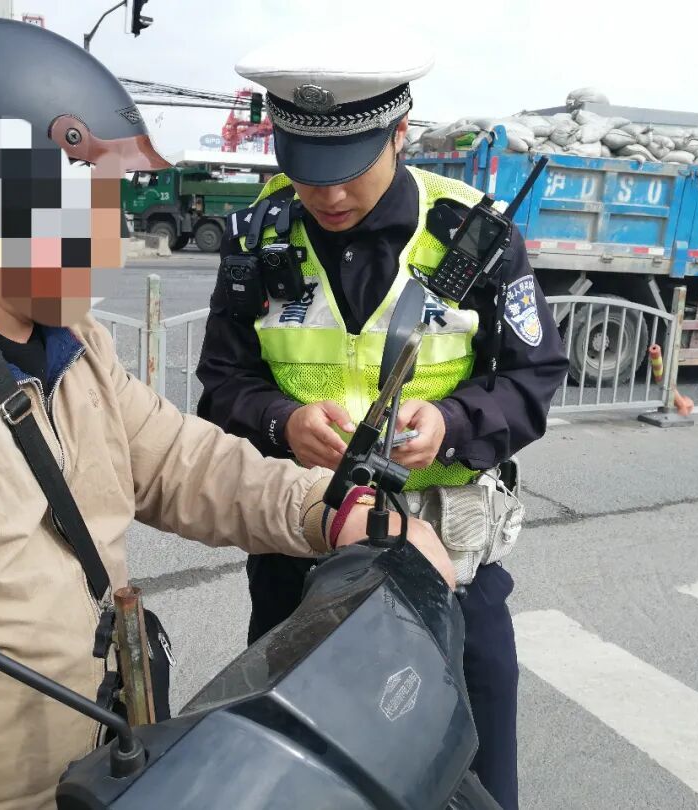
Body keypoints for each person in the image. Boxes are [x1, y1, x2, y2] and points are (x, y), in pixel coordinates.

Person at [0, 19, 457, 810]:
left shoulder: (68, 341)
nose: (111, 230)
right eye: (88, 198)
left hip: (95, 768)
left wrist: (335, 511)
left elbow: (182, 462)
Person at [195, 30, 570, 810]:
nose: (327, 196)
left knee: (471, 771)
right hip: (301, 556)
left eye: (347, 172)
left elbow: (533, 376)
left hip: (444, 561)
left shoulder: (473, 236)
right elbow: (223, 384)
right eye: (306, 172)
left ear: (399, 132)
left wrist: (452, 423)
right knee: (292, 774)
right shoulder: (259, 238)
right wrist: (281, 421)